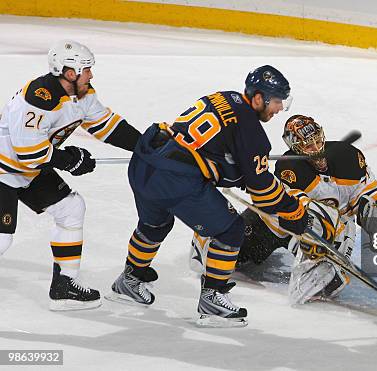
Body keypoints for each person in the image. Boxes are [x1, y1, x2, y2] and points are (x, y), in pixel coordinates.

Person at [106, 65, 308, 328]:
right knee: (231, 230)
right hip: (175, 179)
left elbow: (212, 145)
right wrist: (291, 209)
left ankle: (128, 282)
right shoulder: (252, 131)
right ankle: (213, 300)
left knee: (155, 225)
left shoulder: (223, 97)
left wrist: (237, 170)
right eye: (277, 101)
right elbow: (263, 191)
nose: (280, 108)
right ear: (258, 98)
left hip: (146, 162)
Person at [190, 114, 377, 305]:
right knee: (221, 254)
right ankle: (209, 236)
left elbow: (368, 193)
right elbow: (291, 209)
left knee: (346, 220)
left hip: (331, 231)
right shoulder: (289, 169)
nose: (317, 149)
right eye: (308, 147)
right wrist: (313, 228)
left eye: (318, 141)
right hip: (275, 226)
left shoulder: (349, 158)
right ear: (296, 148)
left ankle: (320, 269)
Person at [0, 40, 142, 311]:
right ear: (69, 72)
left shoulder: (82, 95)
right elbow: (28, 151)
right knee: (1, 239)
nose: (91, 75)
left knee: (71, 207)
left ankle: (64, 287)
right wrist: (69, 160)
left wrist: (146, 146)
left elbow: (108, 126)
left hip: (28, 172)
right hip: (4, 170)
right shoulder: (40, 97)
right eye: (86, 70)